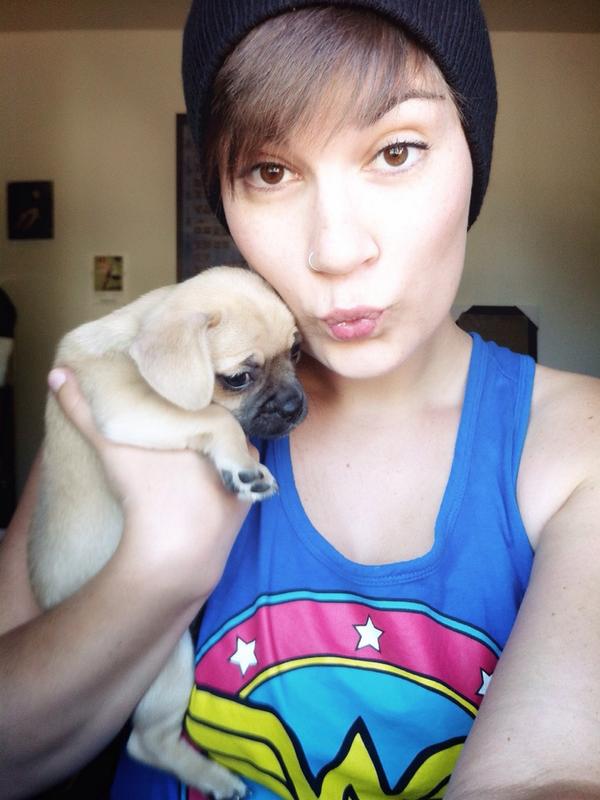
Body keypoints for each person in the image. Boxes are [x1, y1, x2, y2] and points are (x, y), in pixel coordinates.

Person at [1, 1, 599, 798]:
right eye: (271, 172)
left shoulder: (580, 448)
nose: (335, 249)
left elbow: (556, 770)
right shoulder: (133, 405)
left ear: (473, 156)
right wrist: (158, 571)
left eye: (396, 151)